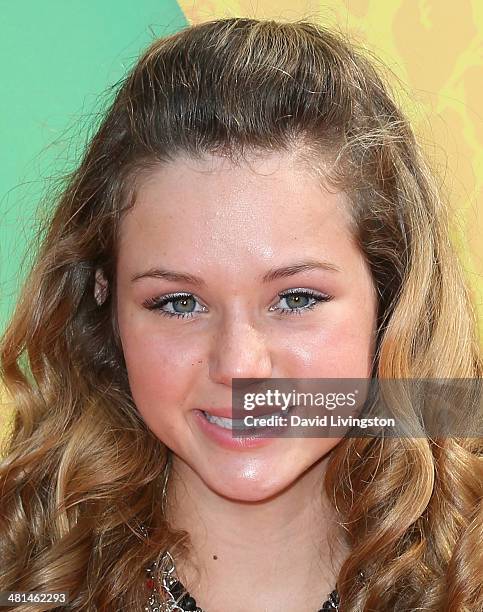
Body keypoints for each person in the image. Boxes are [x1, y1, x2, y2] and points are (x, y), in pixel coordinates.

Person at [0, 17, 481, 612]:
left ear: (392, 296)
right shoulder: (21, 576)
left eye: (296, 299)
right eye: (179, 303)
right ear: (106, 305)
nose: (239, 366)